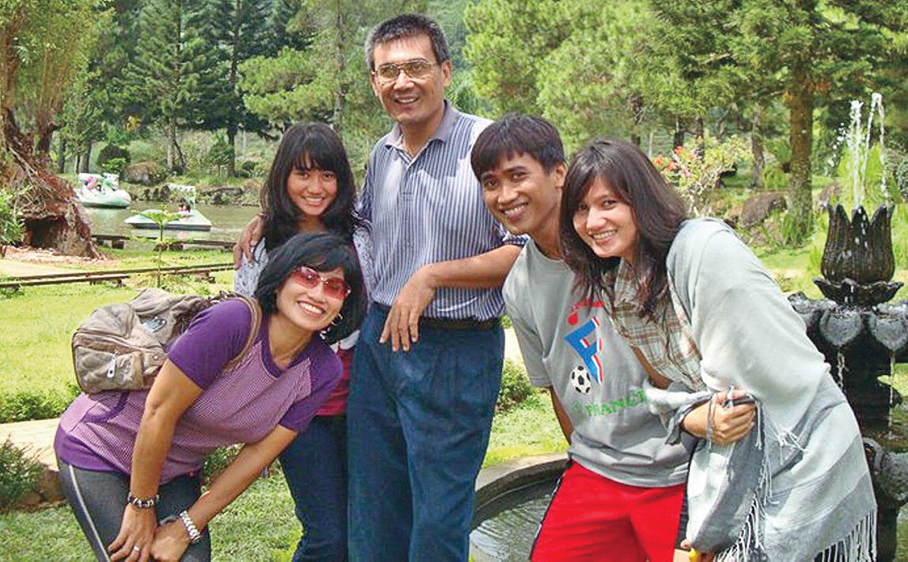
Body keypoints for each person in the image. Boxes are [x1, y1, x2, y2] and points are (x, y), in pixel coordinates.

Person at [559, 138, 877, 561]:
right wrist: (691, 415)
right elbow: (668, 386)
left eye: (609, 203)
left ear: (642, 200)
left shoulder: (703, 251)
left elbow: (741, 404)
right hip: (740, 454)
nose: (593, 221)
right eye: (581, 208)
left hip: (802, 445)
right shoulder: (620, 284)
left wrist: (712, 524)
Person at [55, 232, 365, 562]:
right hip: (101, 447)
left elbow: (257, 456)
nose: (318, 293)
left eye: (334, 287)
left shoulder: (322, 370)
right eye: (307, 276)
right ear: (280, 281)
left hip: (175, 470)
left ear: (344, 303)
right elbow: (159, 411)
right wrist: (141, 504)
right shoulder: (233, 322)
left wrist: (185, 527)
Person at [471, 115, 696, 561]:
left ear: (559, 173)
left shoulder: (619, 244)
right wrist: (584, 454)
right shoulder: (519, 285)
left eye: (517, 176)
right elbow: (557, 387)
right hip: (597, 473)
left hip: (680, 466)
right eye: (491, 183)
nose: (505, 195)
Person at [347, 13, 525, 561]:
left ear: (445, 71)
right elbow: (360, 230)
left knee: (438, 518)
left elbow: (524, 247)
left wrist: (434, 275)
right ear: (374, 81)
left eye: (416, 68)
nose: (402, 83)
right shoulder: (382, 153)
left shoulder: (487, 145)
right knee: (374, 507)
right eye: (388, 72)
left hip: (455, 349)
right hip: (380, 343)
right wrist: (272, 222)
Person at [233, 122, 363, 562]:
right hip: (300, 413)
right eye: (302, 174)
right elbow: (246, 331)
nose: (316, 188)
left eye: (327, 175)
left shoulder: (361, 237)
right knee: (327, 535)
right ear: (283, 176)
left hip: (363, 406)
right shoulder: (263, 246)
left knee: (365, 528)